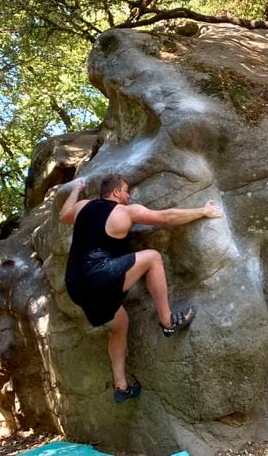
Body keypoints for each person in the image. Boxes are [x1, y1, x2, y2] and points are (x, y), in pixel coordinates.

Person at [59, 173, 223, 403]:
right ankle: (168, 322)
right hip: (99, 278)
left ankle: (121, 386)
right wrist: (202, 211)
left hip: (75, 285)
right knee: (153, 257)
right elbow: (165, 217)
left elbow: (63, 215)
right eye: (126, 191)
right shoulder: (126, 212)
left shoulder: (82, 206)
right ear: (116, 192)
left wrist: (76, 189)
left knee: (120, 324)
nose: (128, 196)